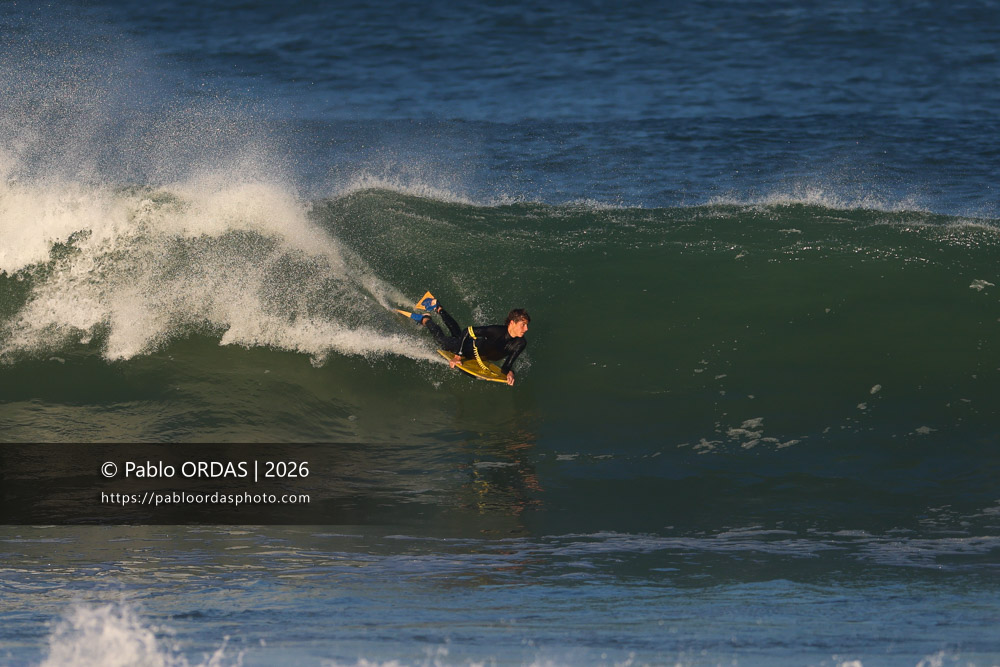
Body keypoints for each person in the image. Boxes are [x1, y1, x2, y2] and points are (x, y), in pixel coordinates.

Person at [411, 295, 529, 386]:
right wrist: (457, 355)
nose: (526, 329)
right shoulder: (496, 331)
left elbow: (506, 366)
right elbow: (467, 331)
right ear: (512, 323)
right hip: (466, 348)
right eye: (523, 325)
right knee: (441, 340)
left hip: (474, 353)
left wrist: (509, 372)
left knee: (456, 333)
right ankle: (426, 319)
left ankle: (438, 308)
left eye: (527, 325)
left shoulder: (520, 343)